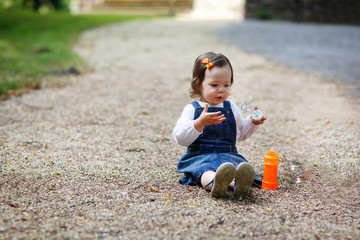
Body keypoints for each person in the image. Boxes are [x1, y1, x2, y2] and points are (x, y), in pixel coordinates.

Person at [172, 52, 266, 199]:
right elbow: (180, 137)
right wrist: (198, 123)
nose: (221, 89)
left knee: (235, 169)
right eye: (214, 85)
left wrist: (252, 122)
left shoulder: (231, 107)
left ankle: (238, 184)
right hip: (200, 156)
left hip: (228, 155)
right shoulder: (192, 109)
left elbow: (239, 133)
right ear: (198, 85)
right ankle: (216, 183)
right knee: (204, 171)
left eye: (226, 85)